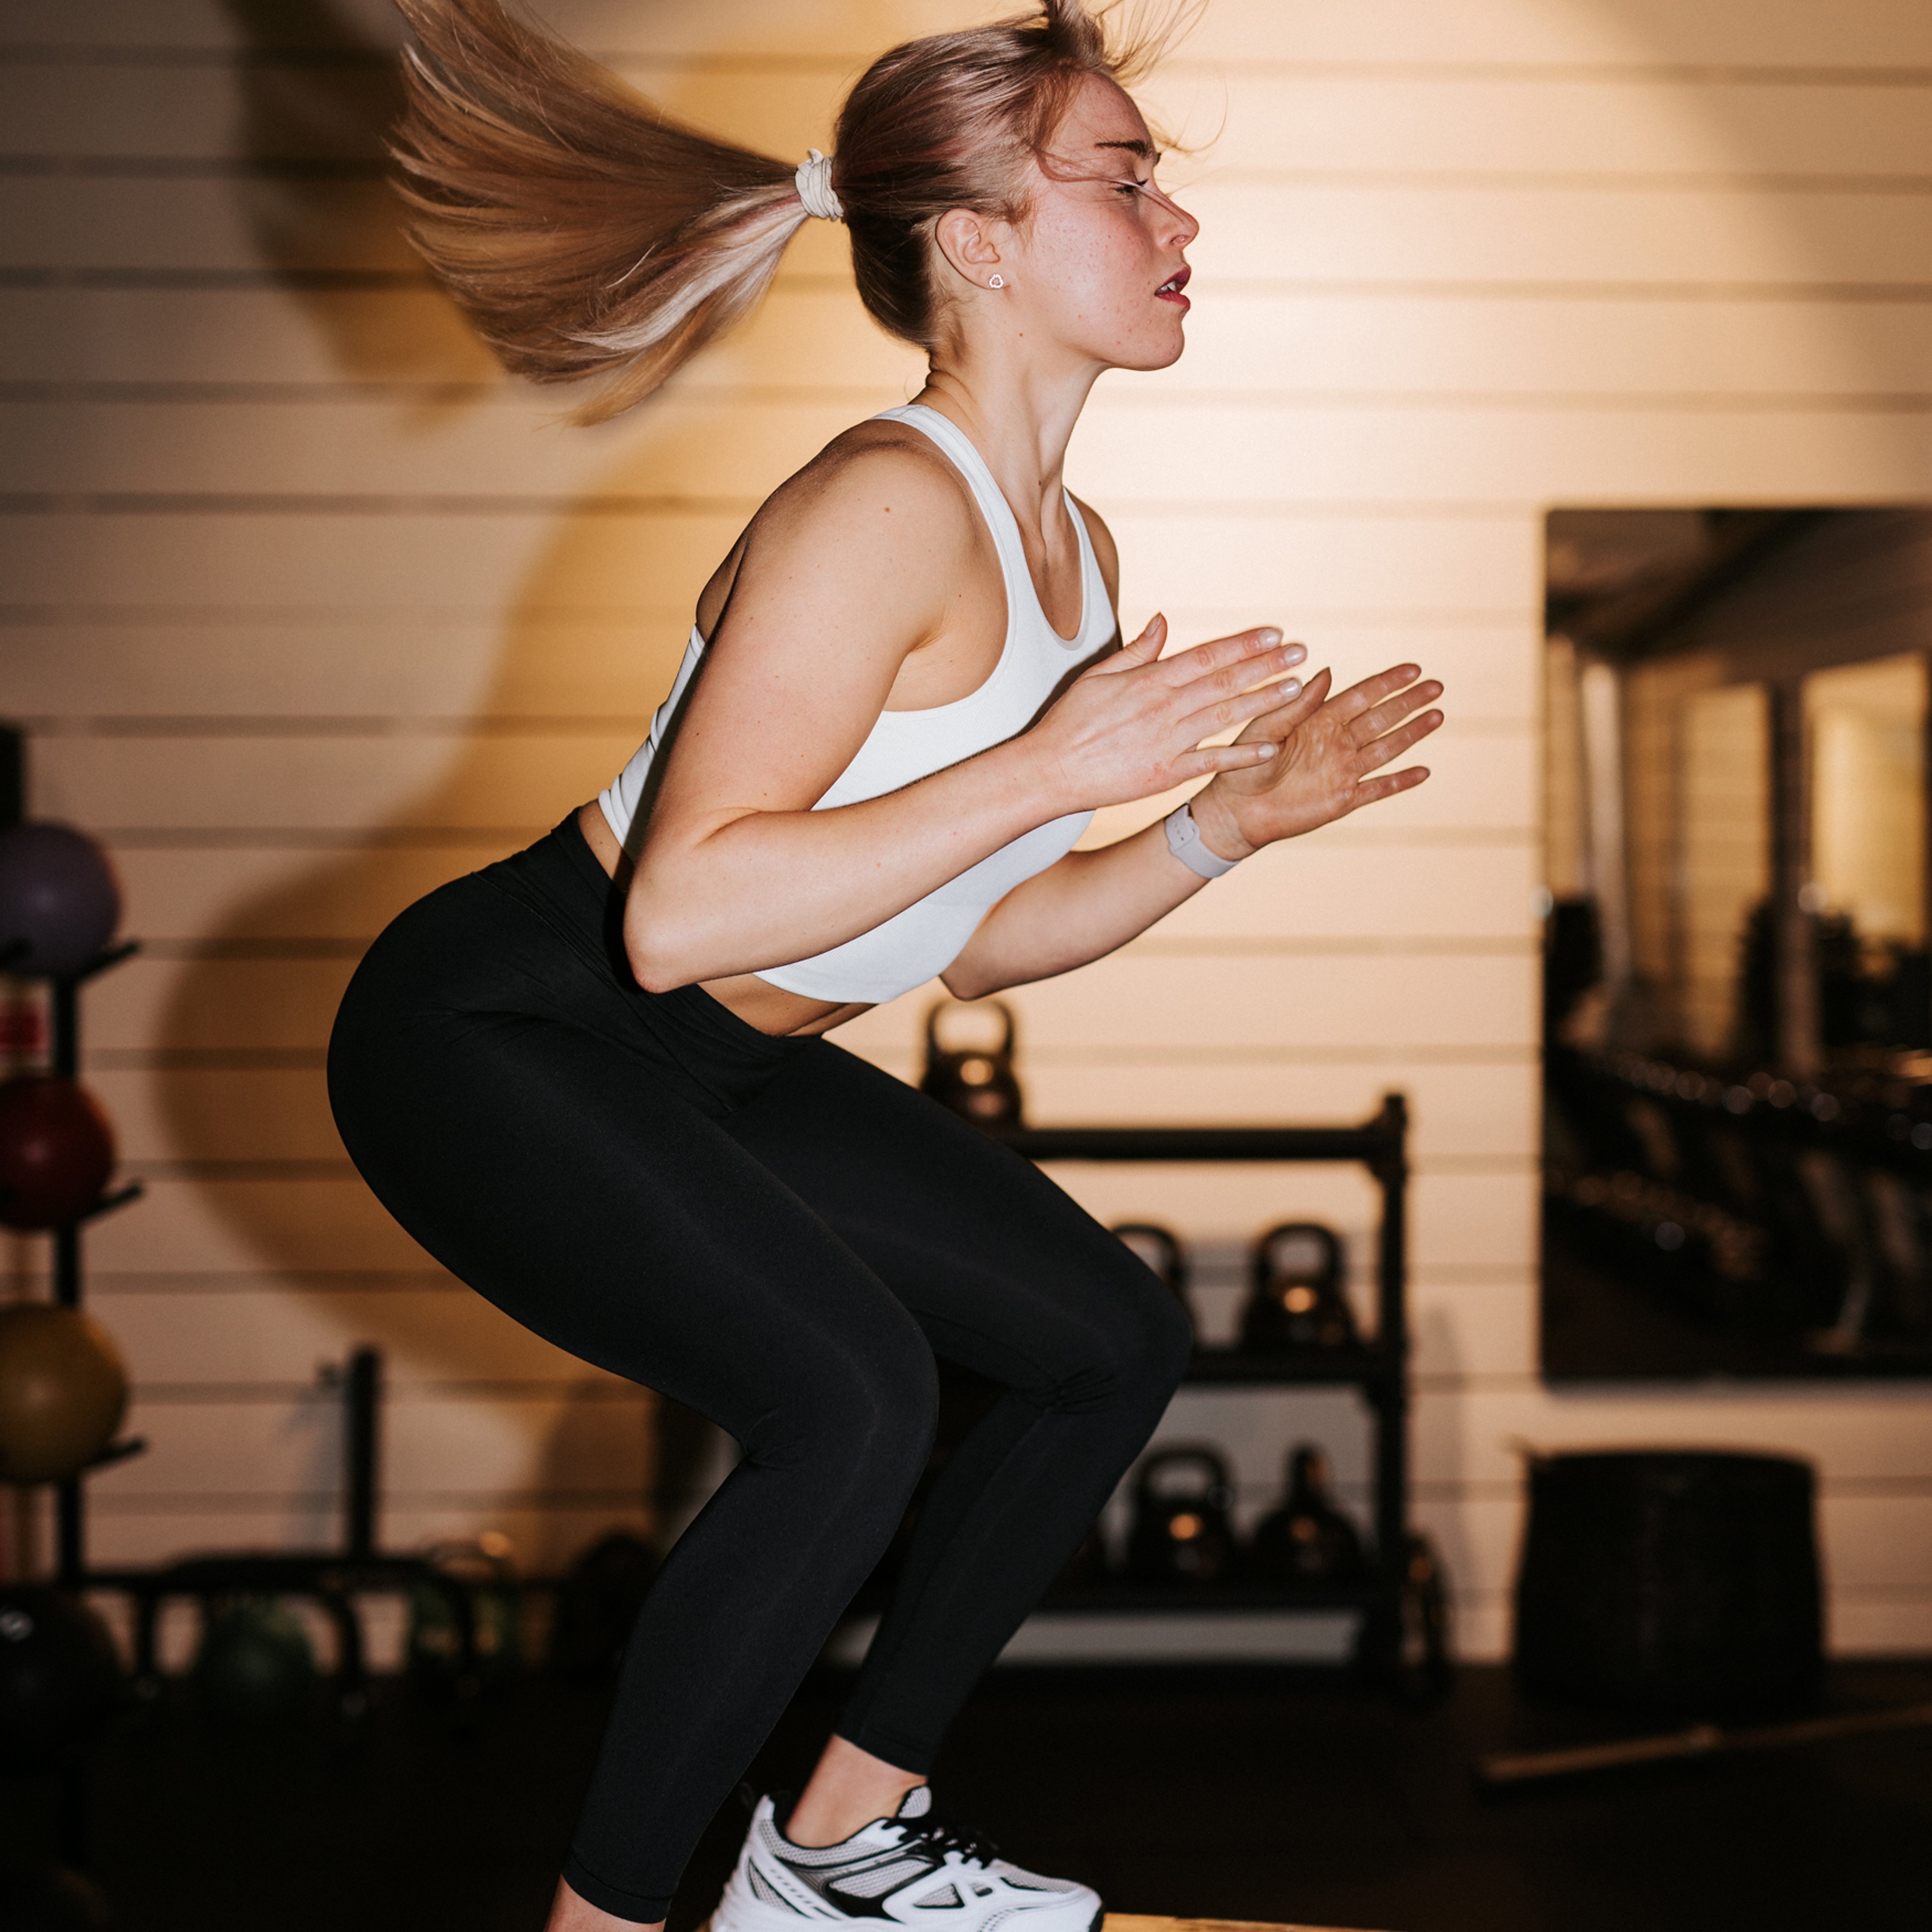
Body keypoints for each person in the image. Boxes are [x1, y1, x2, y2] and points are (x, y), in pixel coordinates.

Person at [328, 3, 1444, 1928]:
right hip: (509, 1028)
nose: (1179, 218)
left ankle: (835, 1850)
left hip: (712, 1065)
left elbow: (978, 939)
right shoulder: (880, 504)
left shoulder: (1068, 549)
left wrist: (1222, 825)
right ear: (984, 239)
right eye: (1125, 175)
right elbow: (677, 918)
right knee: (851, 1401)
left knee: (1113, 1337)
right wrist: (1050, 764)